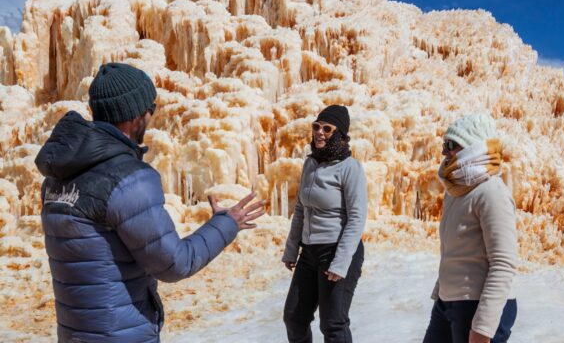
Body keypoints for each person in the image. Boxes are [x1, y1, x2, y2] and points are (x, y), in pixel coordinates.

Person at [35, 63, 265, 343]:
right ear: (135, 116)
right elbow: (174, 263)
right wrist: (226, 224)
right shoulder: (128, 179)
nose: (151, 116)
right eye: (151, 109)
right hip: (121, 334)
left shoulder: (57, 177)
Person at [423, 113, 518, 343]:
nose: (444, 152)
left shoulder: (491, 192)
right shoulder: (455, 191)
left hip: (479, 307)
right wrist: (441, 293)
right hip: (448, 304)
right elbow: (454, 251)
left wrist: (483, 328)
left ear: (472, 147)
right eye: (443, 144)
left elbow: (504, 263)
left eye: (450, 145)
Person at [282, 105, 368, 343]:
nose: (319, 132)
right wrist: (292, 249)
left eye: (327, 129)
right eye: (316, 127)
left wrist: (340, 263)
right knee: (294, 317)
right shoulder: (311, 164)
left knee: (333, 324)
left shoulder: (350, 168)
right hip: (309, 252)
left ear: (339, 134)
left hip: (338, 251)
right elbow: (301, 209)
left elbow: (357, 218)